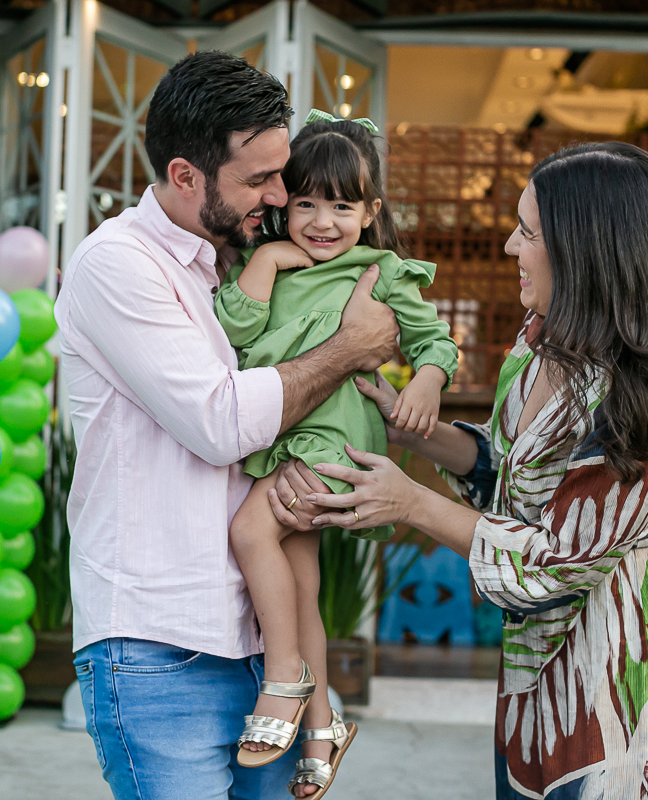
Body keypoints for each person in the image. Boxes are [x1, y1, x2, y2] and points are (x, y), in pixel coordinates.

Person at [272, 142, 648, 799]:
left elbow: (557, 559)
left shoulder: (646, 406)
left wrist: (412, 505)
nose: (511, 247)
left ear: (587, 250)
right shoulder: (538, 340)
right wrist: (416, 434)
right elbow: (519, 475)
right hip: (540, 673)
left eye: (529, 232)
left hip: (629, 688)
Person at [54, 52, 400, 800]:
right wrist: (348, 350)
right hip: (159, 647)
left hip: (258, 647)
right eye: (259, 180)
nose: (281, 194)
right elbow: (219, 422)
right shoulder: (119, 264)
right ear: (185, 176)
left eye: (283, 173)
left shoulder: (242, 263)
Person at [215, 111, 458, 798]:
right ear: (284, 205)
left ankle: (284, 677)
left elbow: (433, 342)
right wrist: (266, 258)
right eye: (306, 204)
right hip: (281, 441)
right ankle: (321, 727)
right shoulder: (275, 265)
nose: (323, 222)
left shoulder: (381, 270)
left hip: (336, 442)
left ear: (370, 211)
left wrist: (430, 383)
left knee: (249, 529)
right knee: (300, 587)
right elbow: (236, 324)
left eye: (342, 206)